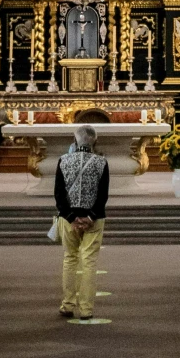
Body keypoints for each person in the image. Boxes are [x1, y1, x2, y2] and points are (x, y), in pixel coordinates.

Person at [55, 122, 110, 321]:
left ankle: (67, 304)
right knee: (89, 262)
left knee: (70, 259)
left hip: (68, 219)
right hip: (94, 219)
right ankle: (86, 309)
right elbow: (103, 195)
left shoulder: (63, 160)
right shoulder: (101, 163)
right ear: (95, 141)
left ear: (74, 141)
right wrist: (90, 217)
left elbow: (59, 195)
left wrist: (71, 217)